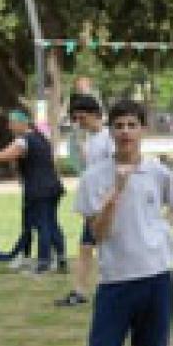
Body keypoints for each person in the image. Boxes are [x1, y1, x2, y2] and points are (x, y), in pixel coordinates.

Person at [50, 100, 173, 346]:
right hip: (117, 282)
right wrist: (117, 193)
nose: (125, 132)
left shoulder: (158, 172)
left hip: (156, 277)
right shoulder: (96, 177)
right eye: (119, 125)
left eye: (132, 125)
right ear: (110, 131)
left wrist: (161, 230)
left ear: (143, 130)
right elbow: (98, 233)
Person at [0, 108, 67, 275]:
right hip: (53, 186)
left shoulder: (24, 140)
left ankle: (43, 263)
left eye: (11, 123)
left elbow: (6, 155)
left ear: (22, 123)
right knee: (52, 223)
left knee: (43, 226)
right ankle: (61, 259)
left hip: (38, 189)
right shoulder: (41, 138)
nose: (9, 127)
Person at [55, 95, 114, 307]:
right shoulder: (90, 139)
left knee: (105, 248)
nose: (80, 123)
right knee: (85, 247)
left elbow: (114, 171)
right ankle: (79, 291)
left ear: (95, 114)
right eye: (76, 119)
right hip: (91, 202)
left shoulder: (109, 138)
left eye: (82, 118)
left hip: (104, 203)